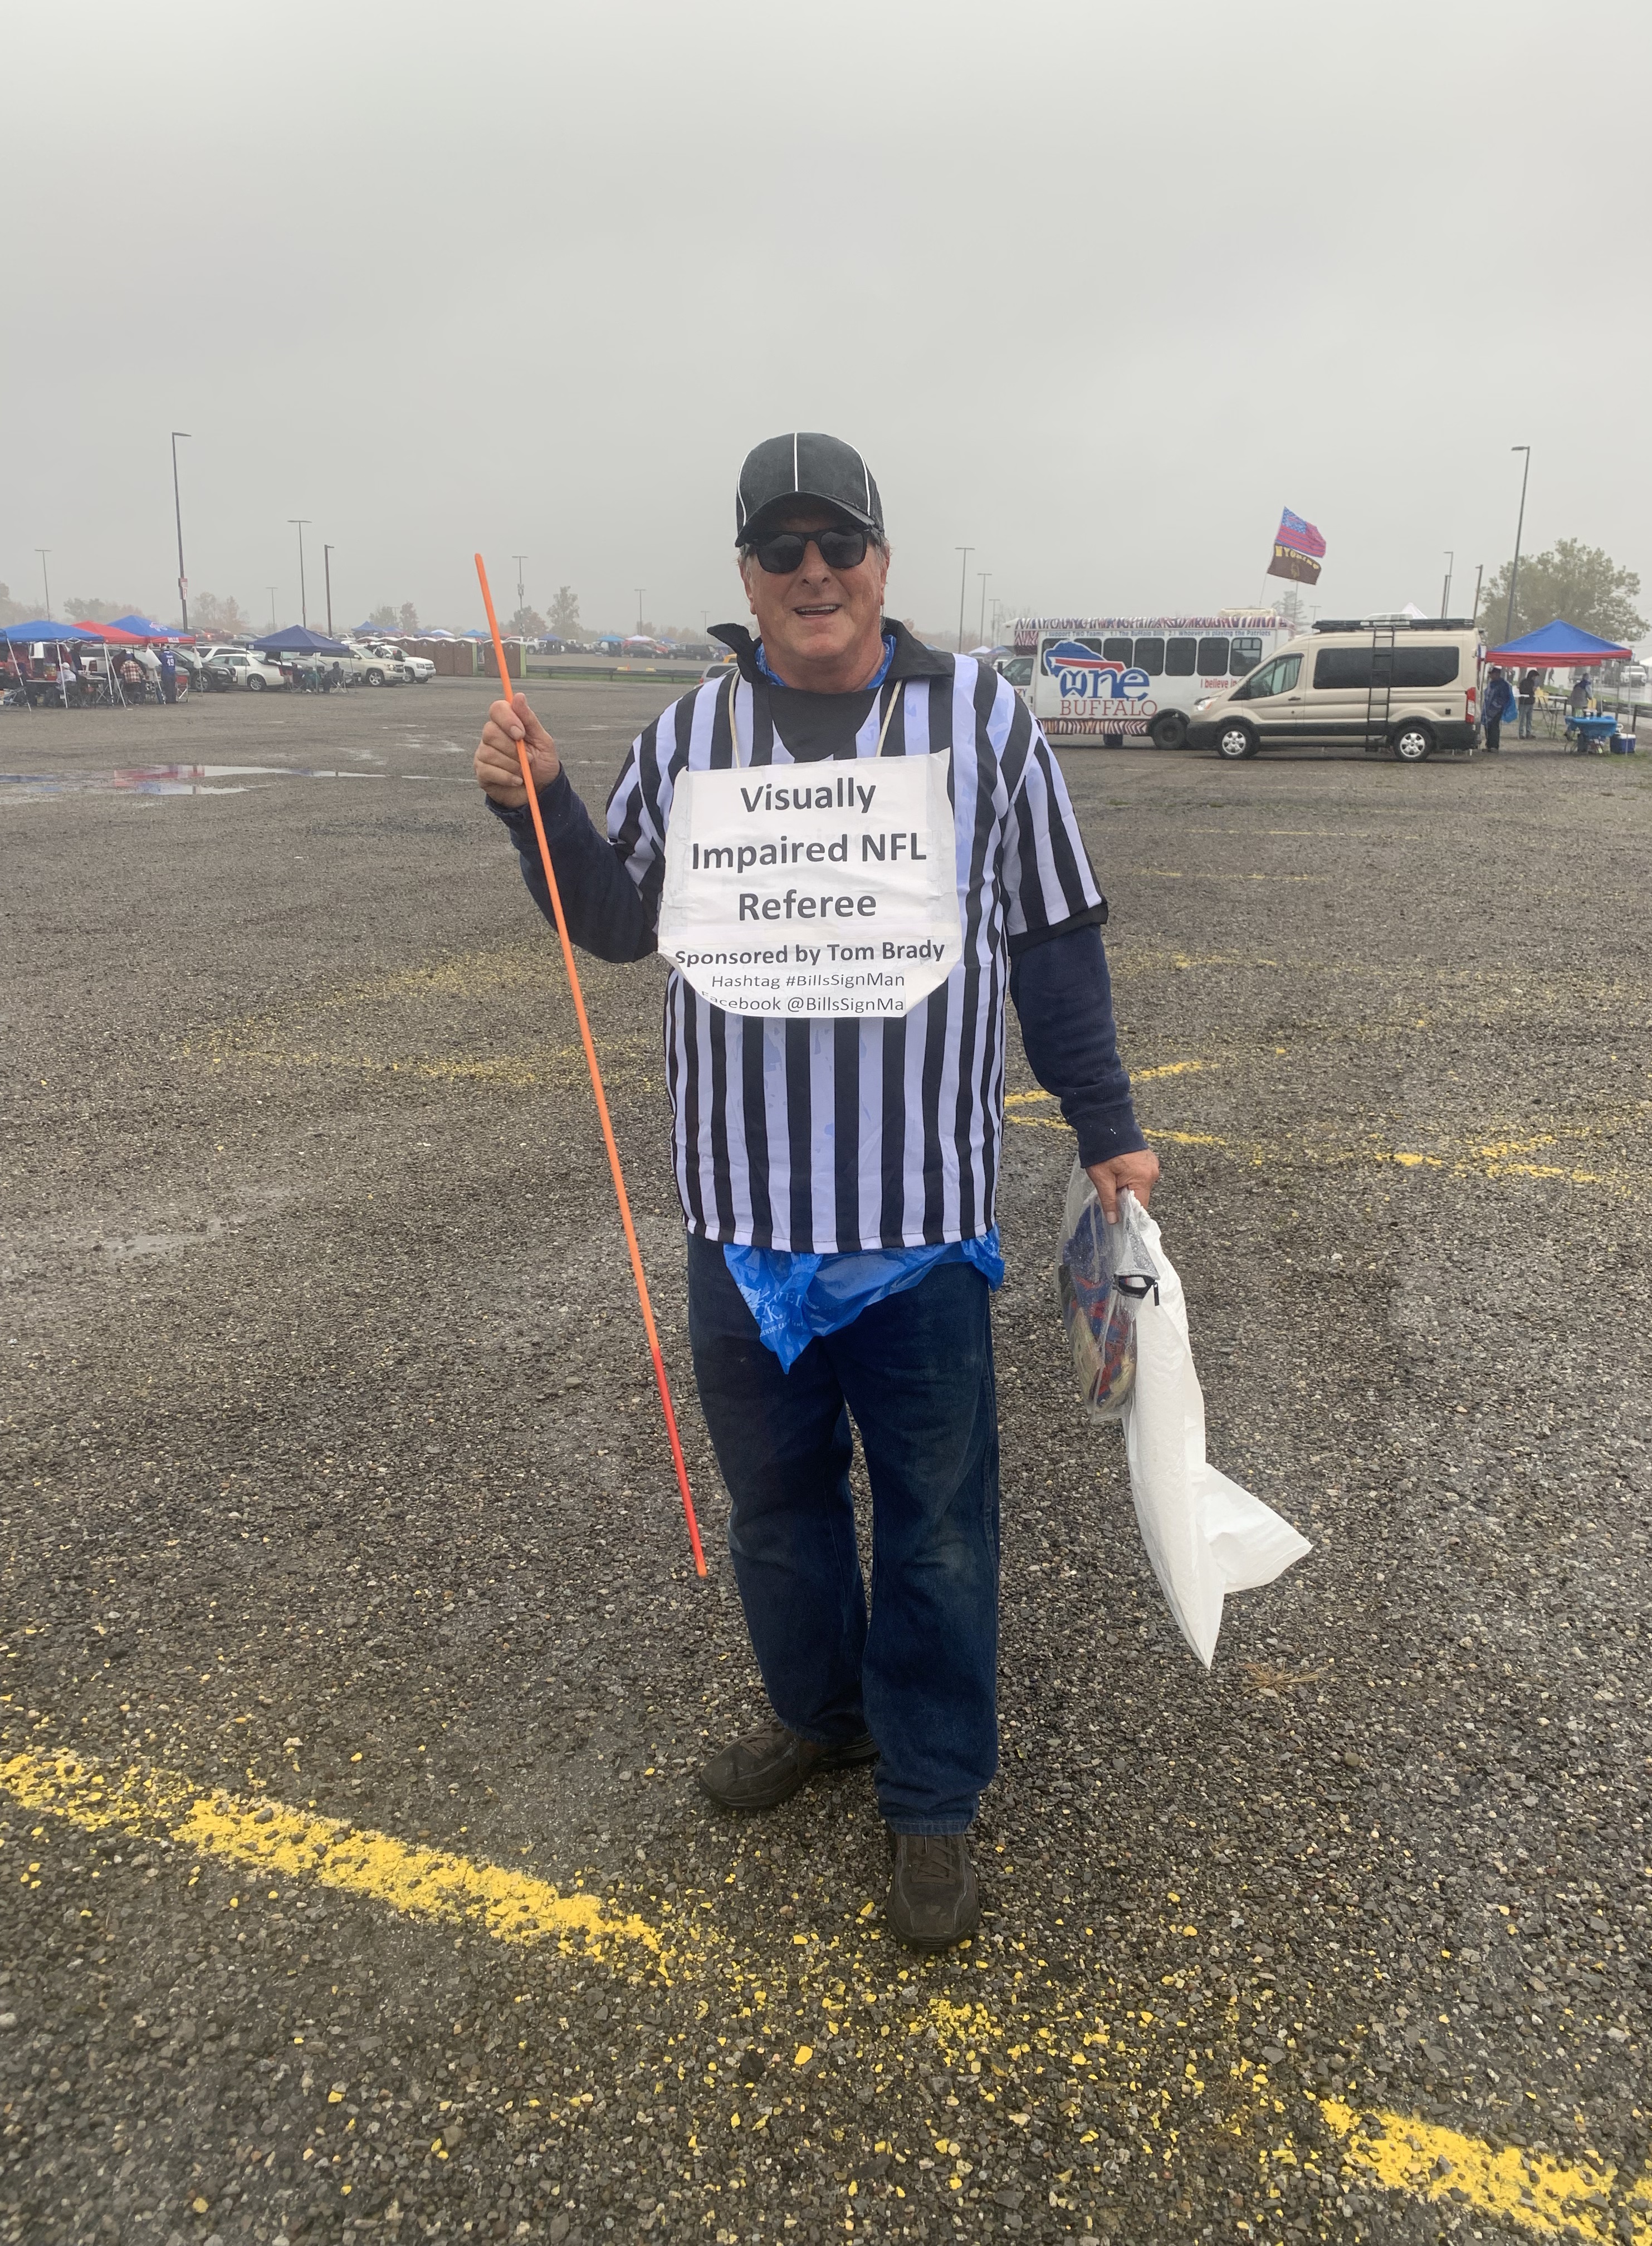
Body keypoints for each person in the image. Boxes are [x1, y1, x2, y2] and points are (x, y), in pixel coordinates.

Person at [475, 432, 1158, 1952]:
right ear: (747, 578)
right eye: (780, 551)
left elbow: (1054, 944)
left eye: (836, 544)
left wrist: (1106, 1126)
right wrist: (539, 807)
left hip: (916, 1225)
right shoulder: (692, 735)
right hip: (743, 1229)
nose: (812, 574)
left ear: (882, 560)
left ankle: (930, 1796)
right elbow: (612, 919)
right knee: (780, 1513)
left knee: (933, 1530)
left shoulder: (985, 725)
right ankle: (824, 1714)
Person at [1481, 663, 1509, 753]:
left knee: (1494, 726)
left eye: (1492, 674)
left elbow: (1504, 698)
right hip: (1488, 709)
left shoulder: (1503, 684)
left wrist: (1497, 705)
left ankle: (1494, 746)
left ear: (1497, 674)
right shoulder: (1491, 684)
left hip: (1497, 709)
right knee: (1487, 726)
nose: (1490, 676)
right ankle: (1489, 745)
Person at [1517, 666, 1539, 739]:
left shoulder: (1532, 683)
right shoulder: (1524, 682)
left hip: (1530, 703)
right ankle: (1521, 733)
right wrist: (1532, 690)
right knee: (1522, 719)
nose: (1535, 679)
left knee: (1530, 719)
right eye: (1535, 677)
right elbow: (1523, 691)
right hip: (1524, 703)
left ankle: (1528, 733)